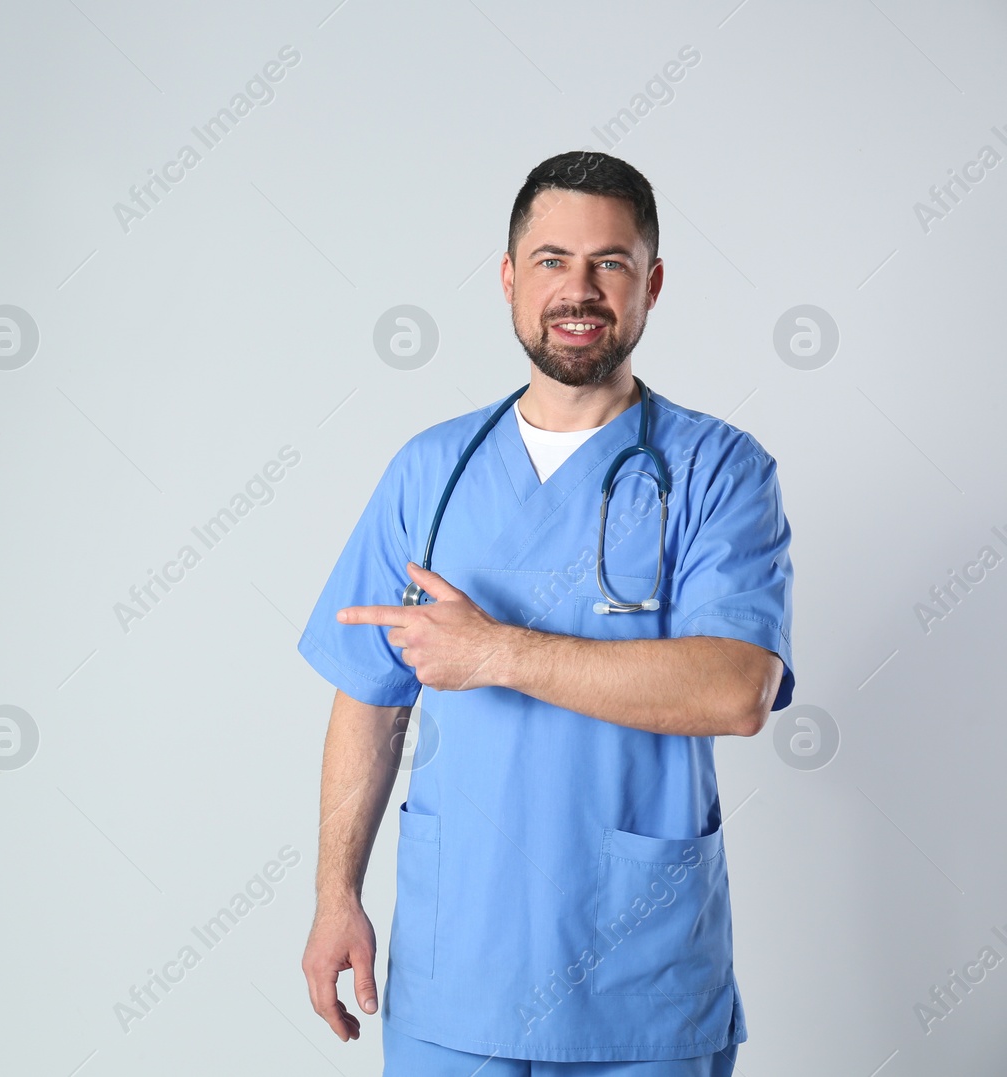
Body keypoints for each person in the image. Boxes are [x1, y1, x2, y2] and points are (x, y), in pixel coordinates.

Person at [296, 151, 795, 1076]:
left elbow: (736, 689)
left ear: (650, 284)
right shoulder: (430, 472)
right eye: (552, 259)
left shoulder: (720, 471)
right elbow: (368, 695)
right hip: (455, 973)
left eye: (610, 262)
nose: (580, 289)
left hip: (639, 979)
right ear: (508, 278)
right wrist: (336, 896)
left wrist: (497, 652)